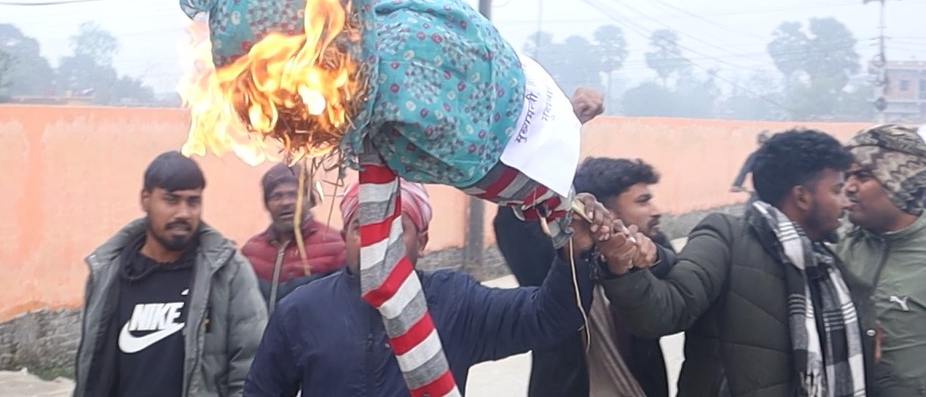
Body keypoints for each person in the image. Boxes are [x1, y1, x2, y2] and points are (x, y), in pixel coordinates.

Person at [244, 179, 615, 396]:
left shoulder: (457, 301)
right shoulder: (301, 310)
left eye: (395, 228)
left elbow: (550, 315)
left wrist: (574, 252)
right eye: (363, 227)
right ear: (346, 237)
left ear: (421, 242)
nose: (377, 240)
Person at [599, 130, 877, 397]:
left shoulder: (828, 267)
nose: (846, 203)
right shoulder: (727, 238)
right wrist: (625, 269)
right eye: (838, 190)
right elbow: (663, 312)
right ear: (802, 196)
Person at [74, 151, 267, 397]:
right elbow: (93, 367)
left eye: (193, 201)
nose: (184, 213)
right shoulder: (108, 273)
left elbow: (251, 371)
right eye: (171, 200)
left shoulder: (227, 273)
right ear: (146, 199)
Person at [493, 157, 675, 397]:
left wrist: (646, 261)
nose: (656, 211)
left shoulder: (653, 252)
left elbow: (679, 277)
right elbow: (512, 223)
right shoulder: (555, 265)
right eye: (643, 202)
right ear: (606, 212)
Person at [837, 124, 926, 396]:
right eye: (847, 176)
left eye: (863, 176)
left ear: (901, 180)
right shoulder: (839, 250)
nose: (848, 188)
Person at [241, 163, 346, 313]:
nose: (285, 203)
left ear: (309, 200)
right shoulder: (251, 252)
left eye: (293, 194)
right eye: (277, 196)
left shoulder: (335, 247)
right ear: (266, 204)